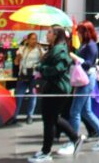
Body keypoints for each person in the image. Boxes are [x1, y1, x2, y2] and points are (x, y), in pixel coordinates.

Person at [30, 25, 83, 163]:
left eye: (49, 32)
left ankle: (46, 151)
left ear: (55, 35)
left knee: (49, 119)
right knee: (52, 118)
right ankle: (74, 138)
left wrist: (42, 68)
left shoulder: (60, 49)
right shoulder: (56, 48)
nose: (47, 35)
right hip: (54, 87)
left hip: (58, 88)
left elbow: (59, 68)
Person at [65, 21, 99, 153]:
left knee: (75, 111)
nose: (78, 35)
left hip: (86, 79)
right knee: (86, 112)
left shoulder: (91, 46)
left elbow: (88, 64)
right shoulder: (86, 45)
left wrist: (74, 57)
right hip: (84, 79)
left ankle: (73, 140)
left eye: (80, 32)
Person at [11, 33, 44, 125]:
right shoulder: (22, 49)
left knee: (33, 95)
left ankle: (30, 116)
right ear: (28, 40)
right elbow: (16, 63)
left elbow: (43, 61)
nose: (34, 41)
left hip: (34, 76)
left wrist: (41, 51)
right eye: (32, 39)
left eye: (35, 39)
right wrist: (18, 57)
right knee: (19, 95)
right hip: (23, 75)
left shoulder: (39, 49)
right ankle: (15, 116)